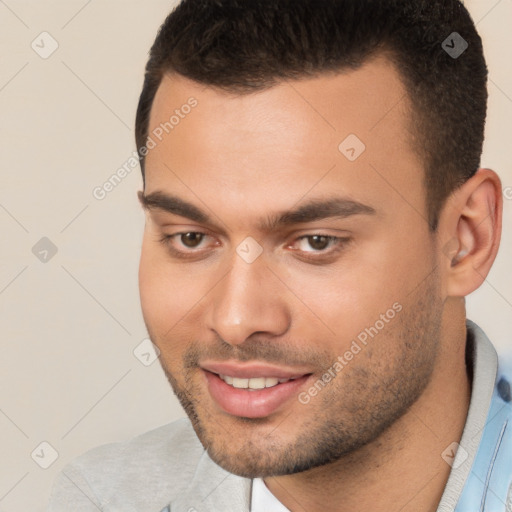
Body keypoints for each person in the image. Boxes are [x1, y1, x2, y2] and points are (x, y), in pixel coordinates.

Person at [48, 0, 512, 511]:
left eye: (316, 242)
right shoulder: (99, 499)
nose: (236, 320)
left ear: (467, 240)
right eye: (191, 238)